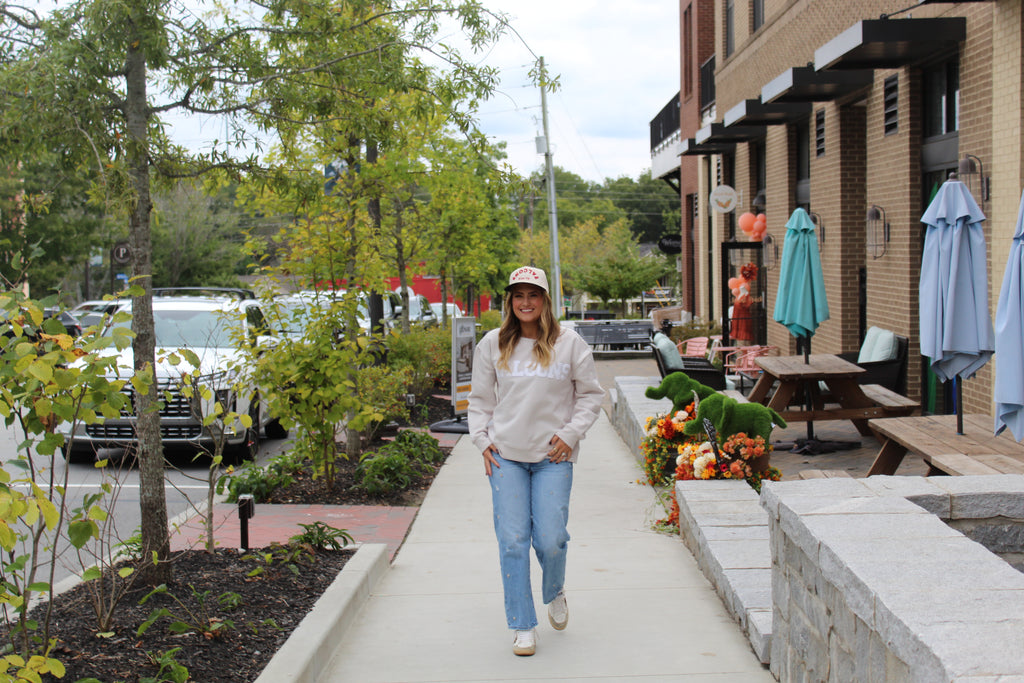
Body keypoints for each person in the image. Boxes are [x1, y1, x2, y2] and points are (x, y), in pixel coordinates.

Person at [468, 266, 604, 657]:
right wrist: (482, 441)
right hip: (506, 457)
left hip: (552, 457)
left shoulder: (570, 344)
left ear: (546, 300)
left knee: (551, 540)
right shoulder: (492, 344)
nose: (525, 302)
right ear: (509, 302)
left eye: (534, 294)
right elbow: (479, 402)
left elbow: (591, 395)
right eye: (518, 295)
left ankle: (554, 589)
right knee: (512, 541)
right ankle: (523, 625)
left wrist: (571, 433)